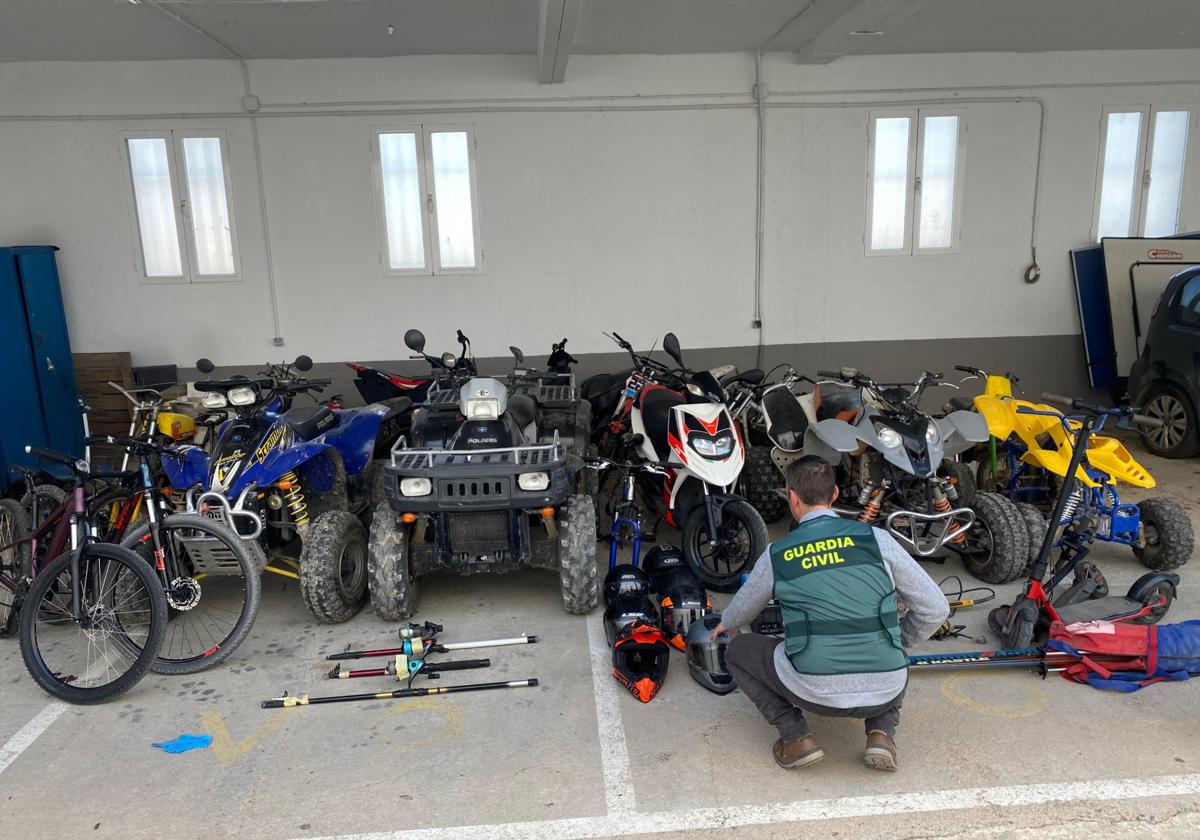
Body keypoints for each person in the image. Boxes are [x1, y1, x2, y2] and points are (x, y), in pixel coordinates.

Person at [713, 455, 949, 772]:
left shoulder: (778, 554)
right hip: (885, 689)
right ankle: (881, 733)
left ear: (792, 497)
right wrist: (901, 640)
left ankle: (796, 738)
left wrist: (725, 623)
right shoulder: (877, 540)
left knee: (740, 650)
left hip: (812, 691)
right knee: (891, 647)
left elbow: (743, 612)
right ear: (835, 494)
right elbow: (936, 608)